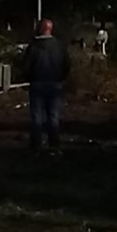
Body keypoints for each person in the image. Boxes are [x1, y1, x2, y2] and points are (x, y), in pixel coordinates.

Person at [23, 18, 70, 153]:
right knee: (53, 116)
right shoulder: (59, 46)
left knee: (37, 117)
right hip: (55, 85)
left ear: (40, 29)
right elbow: (67, 65)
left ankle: (36, 146)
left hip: (37, 85)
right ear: (51, 30)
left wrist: (29, 78)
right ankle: (54, 146)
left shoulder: (33, 47)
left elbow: (26, 67)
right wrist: (61, 78)